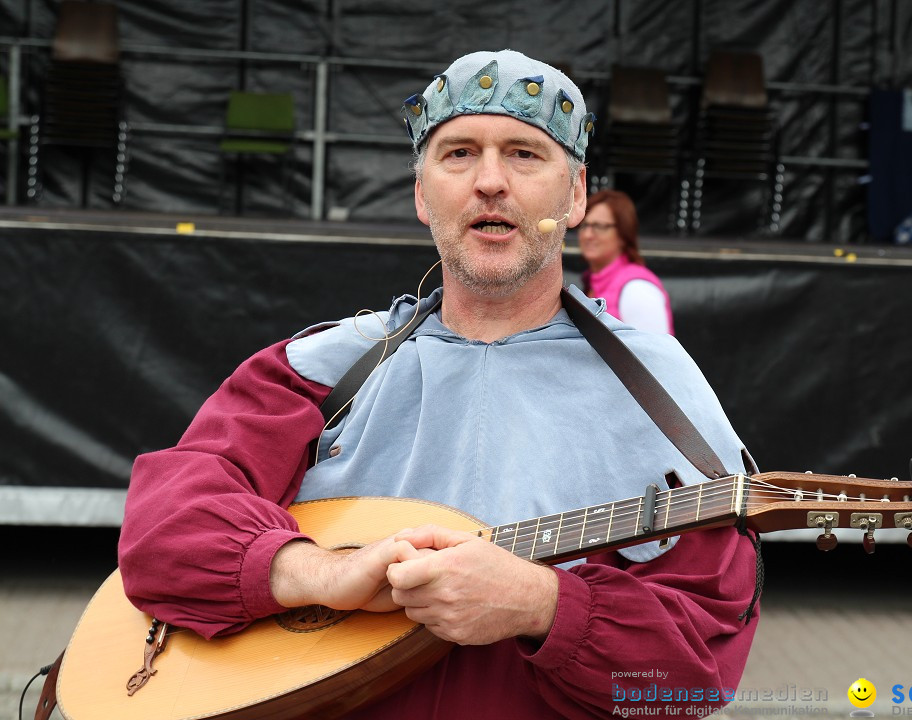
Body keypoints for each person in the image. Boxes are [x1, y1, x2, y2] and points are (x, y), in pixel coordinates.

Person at [117, 49, 759, 719]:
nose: (489, 182)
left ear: (574, 196)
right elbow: (163, 529)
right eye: (458, 153)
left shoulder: (663, 392)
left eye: (524, 154)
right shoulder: (321, 369)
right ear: (423, 195)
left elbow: (698, 669)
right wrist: (318, 573)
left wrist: (545, 606)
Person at [578, 189, 674, 334]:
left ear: (623, 234)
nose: (587, 234)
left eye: (599, 226)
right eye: (585, 225)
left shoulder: (637, 288)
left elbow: (651, 354)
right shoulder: (591, 282)